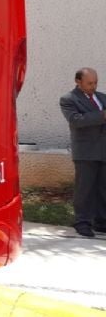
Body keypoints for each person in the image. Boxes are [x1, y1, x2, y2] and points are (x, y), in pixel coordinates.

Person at [59, 67, 106, 237]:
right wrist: (102, 116)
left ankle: (101, 222)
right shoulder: (69, 99)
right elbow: (76, 120)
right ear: (78, 82)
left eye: (95, 83)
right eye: (89, 83)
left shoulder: (102, 98)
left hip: (103, 150)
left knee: (103, 189)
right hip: (85, 151)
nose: (93, 86)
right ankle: (82, 222)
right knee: (84, 189)